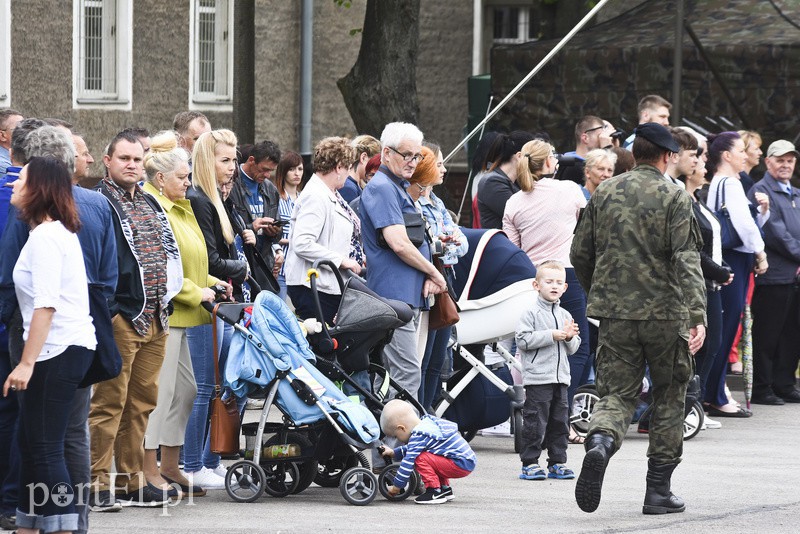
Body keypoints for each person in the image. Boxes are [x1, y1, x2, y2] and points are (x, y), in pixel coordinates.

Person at [570, 122, 706, 515]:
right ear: (667, 156)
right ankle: (657, 491)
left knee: (616, 394)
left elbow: (580, 252)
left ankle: (599, 442)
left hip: (616, 313)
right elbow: (686, 259)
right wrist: (697, 314)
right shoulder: (674, 196)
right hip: (666, 315)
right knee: (668, 394)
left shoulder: (606, 190)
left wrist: (600, 289)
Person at [89, 130, 182, 508]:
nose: (131, 164)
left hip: (157, 316)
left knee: (142, 403)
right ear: (107, 161)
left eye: (136, 158)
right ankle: (96, 483)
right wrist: (110, 313)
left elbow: (167, 254)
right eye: (123, 158)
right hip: (122, 317)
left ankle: (131, 480)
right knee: (109, 403)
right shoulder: (98, 202)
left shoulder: (149, 202)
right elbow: (96, 262)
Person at [5, 157, 97, 533]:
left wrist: (26, 363)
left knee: (45, 448)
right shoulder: (53, 233)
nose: (13, 183)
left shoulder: (45, 237)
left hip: (56, 351)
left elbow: (45, 305)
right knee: (32, 444)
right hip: (64, 348)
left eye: (21, 178)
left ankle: (63, 526)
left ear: (37, 188)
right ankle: (30, 525)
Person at [141, 131, 229, 498]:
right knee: (162, 394)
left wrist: (211, 280)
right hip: (169, 313)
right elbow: (163, 266)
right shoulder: (155, 207)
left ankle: (172, 464)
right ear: (161, 179)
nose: (189, 183)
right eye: (183, 177)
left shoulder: (183, 205)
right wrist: (198, 291)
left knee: (189, 390)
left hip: (187, 311)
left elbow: (190, 260)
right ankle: (148, 469)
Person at [502, 139, 590, 444]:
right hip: (565, 272)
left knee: (527, 346)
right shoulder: (569, 190)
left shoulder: (514, 202)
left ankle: (537, 412)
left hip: (531, 277)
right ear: (549, 163)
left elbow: (512, 248)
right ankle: (561, 417)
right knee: (577, 345)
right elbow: (586, 225)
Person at [359, 122, 446, 399]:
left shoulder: (395, 186)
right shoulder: (384, 187)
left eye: (417, 155)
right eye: (406, 155)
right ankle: (395, 440)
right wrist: (434, 273)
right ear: (386, 153)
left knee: (397, 374)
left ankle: (387, 436)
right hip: (395, 297)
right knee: (406, 373)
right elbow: (399, 243)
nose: (413, 162)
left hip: (403, 296)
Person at [184, 129, 244, 488]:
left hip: (219, 301)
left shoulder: (215, 198)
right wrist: (243, 268)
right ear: (208, 161)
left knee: (220, 384)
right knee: (205, 386)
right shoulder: (201, 200)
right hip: (206, 303)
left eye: (234, 160)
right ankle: (193, 463)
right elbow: (213, 260)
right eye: (225, 160)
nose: (233, 167)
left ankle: (207, 458)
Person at [706, 132, 770, 409]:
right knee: (728, 325)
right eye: (741, 150)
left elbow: (745, 220)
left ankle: (716, 390)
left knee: (727, 326)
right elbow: (743, 225)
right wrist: (761, 252)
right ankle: (715, 394)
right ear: (727, 155)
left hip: (730, 256)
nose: (746, 155)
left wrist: (762, 213)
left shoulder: (723, 183)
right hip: (735, 259)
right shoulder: (729, 183)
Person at [678, 151, 734, 428]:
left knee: (712, 345)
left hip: (711, 282)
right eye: (699, 163)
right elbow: (693, 251)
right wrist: (720, 271)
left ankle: (694, 403)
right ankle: (688, 405)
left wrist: (722, 269)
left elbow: (710, 245)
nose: (704, 167)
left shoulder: (698, 200)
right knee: (703, 345)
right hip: (699, 282)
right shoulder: (683, 202)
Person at [413, 143, 468, 412]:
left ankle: (428, 410)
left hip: (445, 280)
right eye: (439, 164)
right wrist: (445, 245)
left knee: (437, 357)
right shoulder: (414, 204)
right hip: (427, 281)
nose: (444, 169)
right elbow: (431, 245)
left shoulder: (438, 203)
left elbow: (462, 243)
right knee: (423, 355)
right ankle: (419, 412)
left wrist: (446, 245)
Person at [284, 137, 362, 323]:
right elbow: (302, 243)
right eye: (348, 167)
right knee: (322, 345)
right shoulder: (316, 196)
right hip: (313, 286)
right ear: (338, 166)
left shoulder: (328, 192)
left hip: (324, 283)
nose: (349, 173)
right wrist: (341, 260)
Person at [515, 260, 580, 481]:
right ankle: (530, 463)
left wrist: (570, 337)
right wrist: (551, 335)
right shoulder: (530, 313)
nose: (554, 286)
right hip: (538, 378)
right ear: (536, 285)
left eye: (559, 282)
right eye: (548, 281)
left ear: (565, 287)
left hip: (561, 378)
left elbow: (573, 348)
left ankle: (557, 462)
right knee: (535, 422)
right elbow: (522, 340)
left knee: (560, 422)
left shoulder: (565, 314)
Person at [748, 140, 800, 405]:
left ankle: (784, 383)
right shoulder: (760, 191)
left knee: (792, 334)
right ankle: (762, 388)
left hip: (794, 276)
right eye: (780, 160)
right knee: (768, 335)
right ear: (768, 162)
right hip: (773, 276)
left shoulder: (796, 194)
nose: (786, 165)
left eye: (790, 160)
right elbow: (776, 234)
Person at [379, 399, 475, 505]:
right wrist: (394, 453)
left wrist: (397, 486)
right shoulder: (426, 426)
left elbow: (408, 460)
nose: (398, 440)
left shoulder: (419, 435)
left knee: (420, 458)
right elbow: (413, 448)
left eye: (396, 436)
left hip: (460, 463)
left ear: (402, 428)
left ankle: (434, 491)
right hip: (466, 460)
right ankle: (445, 489)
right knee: (432, 457)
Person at [227, 140, 283, 273]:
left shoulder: (270, 188)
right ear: (251, 160)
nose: (267, 175)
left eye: (271, 171)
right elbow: (225, 229)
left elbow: (277, 234)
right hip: (239, 263)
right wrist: (252, 227)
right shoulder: (230, 183)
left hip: (263, 265)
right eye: (264, 169)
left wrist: (274, 231)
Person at [475, 131, 534, 229]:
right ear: (519, 156)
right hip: (501, 243)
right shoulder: (492, 182)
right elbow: (523, 216)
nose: (536, 161)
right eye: (534, 157)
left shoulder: (516, 181)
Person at [274, 151, 304, 302]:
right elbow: (272, 234)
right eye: (292, 169)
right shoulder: (276, 197)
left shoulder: (304, 198)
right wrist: (292, 241)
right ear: (283, 171)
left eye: (299, 169)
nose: (296, 173)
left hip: (299, 266)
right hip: (281, 264)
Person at [561, 116, 613, 185]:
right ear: (585, 138)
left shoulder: (566, 160)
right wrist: (607, 149)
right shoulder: (576, 168)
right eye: (600, 136)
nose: (603, 139)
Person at [340, 134, 381, 203]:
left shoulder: (354, 185)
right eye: (375, 163)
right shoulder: (348, 188)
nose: (377, 170)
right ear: (363, 157)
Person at [737, 130, 762, 194]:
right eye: (756, 149)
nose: (760, 153)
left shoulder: (746, 178)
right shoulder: (742, 179)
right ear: (743, 151)